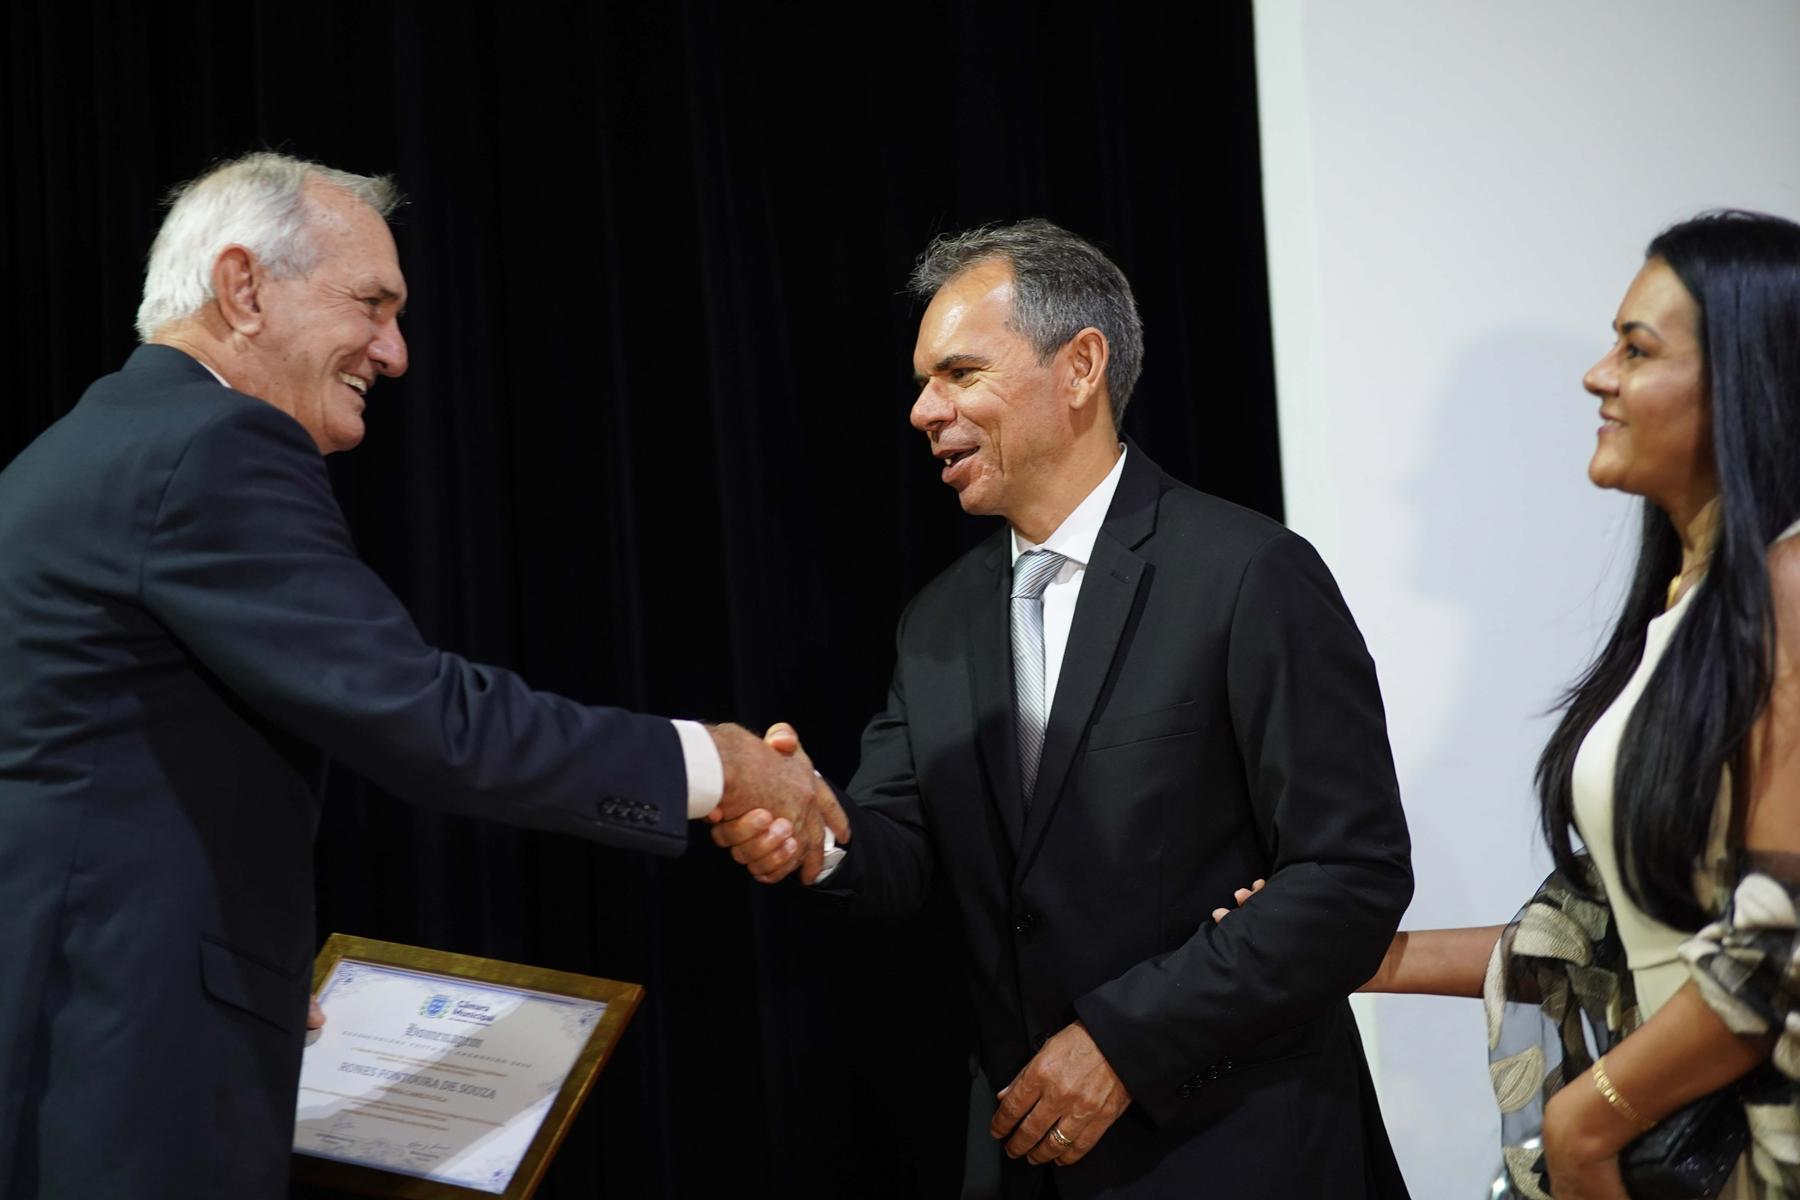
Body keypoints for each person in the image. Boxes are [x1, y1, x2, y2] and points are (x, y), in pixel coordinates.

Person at [0, 151, 836, 1199]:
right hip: (119, 1061)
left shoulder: (73, 452)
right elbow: (431, 720)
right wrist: (714, 764)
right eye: (372, 305)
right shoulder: (210, 445)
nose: (394, 353)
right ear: (244, 287)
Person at [713, 220, 1416, 1198]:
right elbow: (900, 848)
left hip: (1242, 1148)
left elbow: (1351, 876)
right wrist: (815, 833)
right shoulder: (938, 622)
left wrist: (1125, 1042)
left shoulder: (1247, 573)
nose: (923, 410)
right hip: (1029, 1157)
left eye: (959, 373)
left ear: (1081, 366)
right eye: (922, 382)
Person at [1220, 211, 1800, 1200]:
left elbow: (1777, 942)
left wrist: (1586, 1120)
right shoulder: (1689, 607)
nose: (1598, 376)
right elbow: (1611, 935)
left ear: (1745, 382)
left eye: (1637, 349)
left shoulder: (1789, 586)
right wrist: (1349, 955)